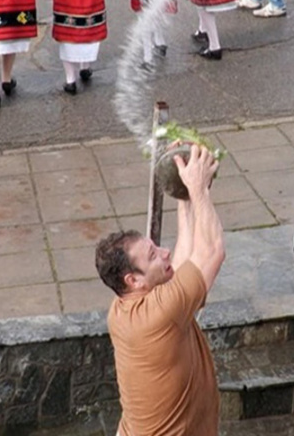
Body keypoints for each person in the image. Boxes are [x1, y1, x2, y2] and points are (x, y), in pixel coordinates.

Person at [94, 144, 226, 436]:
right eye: (153, 256)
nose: (165, 252)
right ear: (133, 280)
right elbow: (212, 251)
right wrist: (199, 190)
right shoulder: (160, 313)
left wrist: (184, 194)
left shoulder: (125, 308)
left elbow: (179, 266)